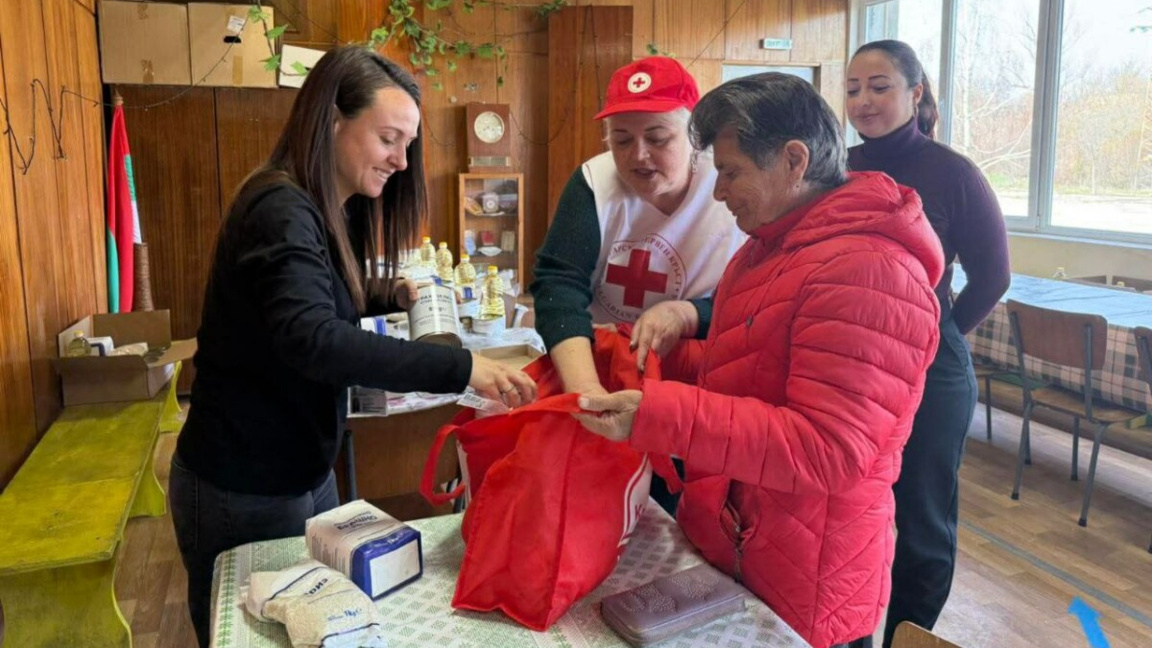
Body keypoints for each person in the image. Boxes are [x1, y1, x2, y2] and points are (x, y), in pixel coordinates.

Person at [169, 45, 537, 648]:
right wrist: (463, 367)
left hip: (304, 467)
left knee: (318, 618)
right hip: (246, 482)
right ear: (332, 121)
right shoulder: (280, 207)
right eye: (388, 138)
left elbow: (305, 295)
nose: (400, 159)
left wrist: (380, 293)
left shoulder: (316, 205)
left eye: (408, 144)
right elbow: (313, 339)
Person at [575, 73, 945, 648]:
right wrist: (640, 361)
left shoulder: (870, 272)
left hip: (808, 579)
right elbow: (744, 370)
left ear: (794, 161)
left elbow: (829, 450)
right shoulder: (769, 246)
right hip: (746, 547)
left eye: (731, 172)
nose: (718, 192)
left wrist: (658, 411)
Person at [846, 40, 1011, 648]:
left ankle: (905, 638)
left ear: (916, 93)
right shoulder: (836, 168)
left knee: (919, 522)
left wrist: (938, 337)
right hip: (851, 364)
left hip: (930, 372)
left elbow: (993, 277)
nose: (864, 100)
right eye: (854, 87)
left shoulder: (955, 174)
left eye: (880, 85)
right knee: (854, 509)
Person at [530, 56, 745, 513]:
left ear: (694, 136)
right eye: (621, 139)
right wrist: (589, 398)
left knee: (687, 514)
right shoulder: (594, 181)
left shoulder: (726, 181)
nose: (637, 155)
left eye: (657, 137)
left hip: (697, 384)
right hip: (605, 365)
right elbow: (558, 283)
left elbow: (757, 292)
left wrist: (690, 313)